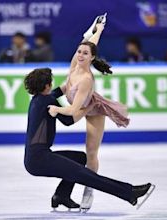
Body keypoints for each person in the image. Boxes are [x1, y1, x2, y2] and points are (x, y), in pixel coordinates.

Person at [23, 67, 155, 211]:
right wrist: (90, 107)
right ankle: (129, 193)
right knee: (87, 177)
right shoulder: (48, 100)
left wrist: (75, 83)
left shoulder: (37, 99)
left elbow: (58, 92)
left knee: (80, 158)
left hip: (35, 157)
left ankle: (61, 195)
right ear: (47, 86)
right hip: (40, 159)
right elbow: (69, 120)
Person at [48, 13, 130, 211]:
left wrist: (55, 107)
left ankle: (88, 189)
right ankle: (67, 192)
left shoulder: (85, 79)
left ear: (92, 58)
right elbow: (88, 44)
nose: (80, 55)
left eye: (85, 54)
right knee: (87, 40)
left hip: (92, 109)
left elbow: (74, 111)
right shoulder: (75, 65)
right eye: (79, 52)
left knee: (91, 152)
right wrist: (98, 29)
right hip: (79, 104)